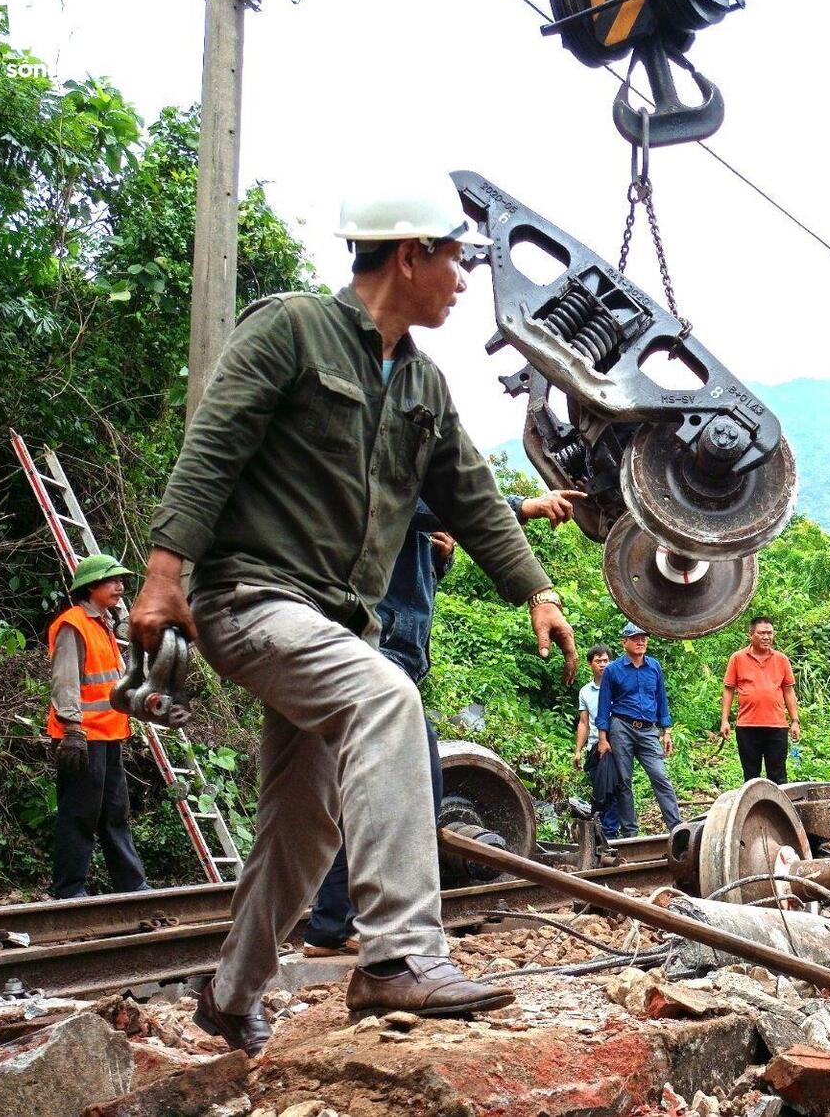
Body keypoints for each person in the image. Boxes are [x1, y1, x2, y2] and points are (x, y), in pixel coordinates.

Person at [133, 177, 578, 1053]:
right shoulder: (292, 330)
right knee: (386, 701)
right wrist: (162, 573)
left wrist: (537, 589)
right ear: (411, 254)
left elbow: (474, 498)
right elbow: (212, 444)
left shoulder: (420, 381)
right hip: (248, 598)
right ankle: (398, 957)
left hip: (332, 627)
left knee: (304, 822)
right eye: (458, 259)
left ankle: (231, 994)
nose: (464, 278)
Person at [301, 493, 581, 959]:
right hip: (376, 653)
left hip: (396, 659)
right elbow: (422, 504)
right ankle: (349, 924)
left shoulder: (417, 515)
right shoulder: (389, 484)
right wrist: (522, 508)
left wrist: (438, 556)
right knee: (412, 785)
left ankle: (335, 925)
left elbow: (416, 560)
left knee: (380, 790)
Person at [45, 554, 149, 900]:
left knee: (114, 812)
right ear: (91, 587)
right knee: (80, 814)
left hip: (108, 733)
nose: (120, 586)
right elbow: (66, 681)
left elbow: (113, 683)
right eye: (111, 581)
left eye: (121, 580)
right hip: (83, 736)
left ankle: (131, 885)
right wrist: (72, 729)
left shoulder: (103, 622)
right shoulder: (74, 624)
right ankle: (69, 889)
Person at [598, 622, 681, 834]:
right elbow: (604, 705)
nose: (641, 641)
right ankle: (630, 833)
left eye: (644, 637)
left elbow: (661, 698)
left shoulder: (654, 666)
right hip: (621, 727)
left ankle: (677, 828)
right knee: (624, 781)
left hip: (648, 730)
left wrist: (667, 730)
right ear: (624, 641)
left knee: (660, 776)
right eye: (635, 638)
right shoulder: (613, 670)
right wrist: (603, 738)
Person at [719, 616, 801, 784]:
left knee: (778, 776)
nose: (766, 637)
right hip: (747, 727)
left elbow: (788, 690)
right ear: (751, 635)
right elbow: (729, 690)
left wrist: (795, 721)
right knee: (751, 777)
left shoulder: (781, 659)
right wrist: (725, 720)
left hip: (777, 726)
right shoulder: (737, 658)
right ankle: (754, 810)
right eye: (761, 633)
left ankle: (778, 810)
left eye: (769, 633)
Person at [574, 643, 624, 837]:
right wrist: (578, 750)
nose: (603, 664)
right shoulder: (585, 692)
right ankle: (601, 832)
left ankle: (611, 833)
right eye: (598, 661)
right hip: (596, 747)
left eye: (606, 661)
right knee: (600, 789)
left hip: (618, 744)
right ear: (590, 664)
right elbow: (584, 722)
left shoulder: (619, 686)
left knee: (616, 788)